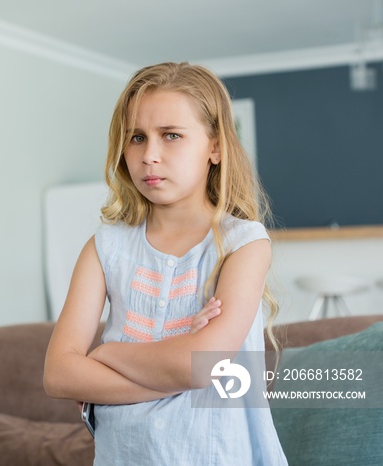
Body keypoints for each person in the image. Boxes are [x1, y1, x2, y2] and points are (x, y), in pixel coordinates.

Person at [43, 62, 287, 465]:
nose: (149, 156)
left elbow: (200, 367)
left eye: (171, 136)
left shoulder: (244, 244)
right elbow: (58, 375)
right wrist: (173, 371)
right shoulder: (105, 248)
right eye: (137, 137)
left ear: (215, 147)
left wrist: (105, 355)